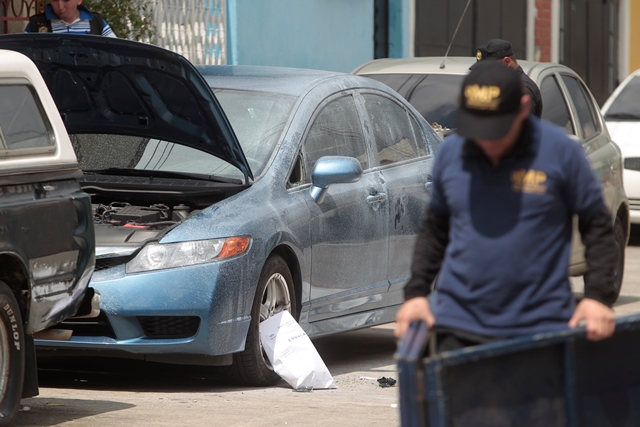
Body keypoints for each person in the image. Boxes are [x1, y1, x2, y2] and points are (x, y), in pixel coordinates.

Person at [394, 61, 617, 354]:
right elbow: (435, 228)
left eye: (497, 129)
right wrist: (416, 294)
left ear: (524, 107)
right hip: (458, 325)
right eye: (479, 128)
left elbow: (598, 226)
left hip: (540, 328)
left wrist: (598, 295)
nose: (487, 140)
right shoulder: (452, 153)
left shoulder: (562, 152)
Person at [470, 38, 542, 118]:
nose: (484, 73)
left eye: (489, 68)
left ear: (507, 62)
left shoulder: (521, 89)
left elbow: (520, 127)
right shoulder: (504, 85)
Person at [24, 0, 116, 37]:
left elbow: (116, 51)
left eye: (66, 0)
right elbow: (20, 55)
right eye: (55, 0)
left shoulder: (96, 22)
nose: (60, 6)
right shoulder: (37, 24)